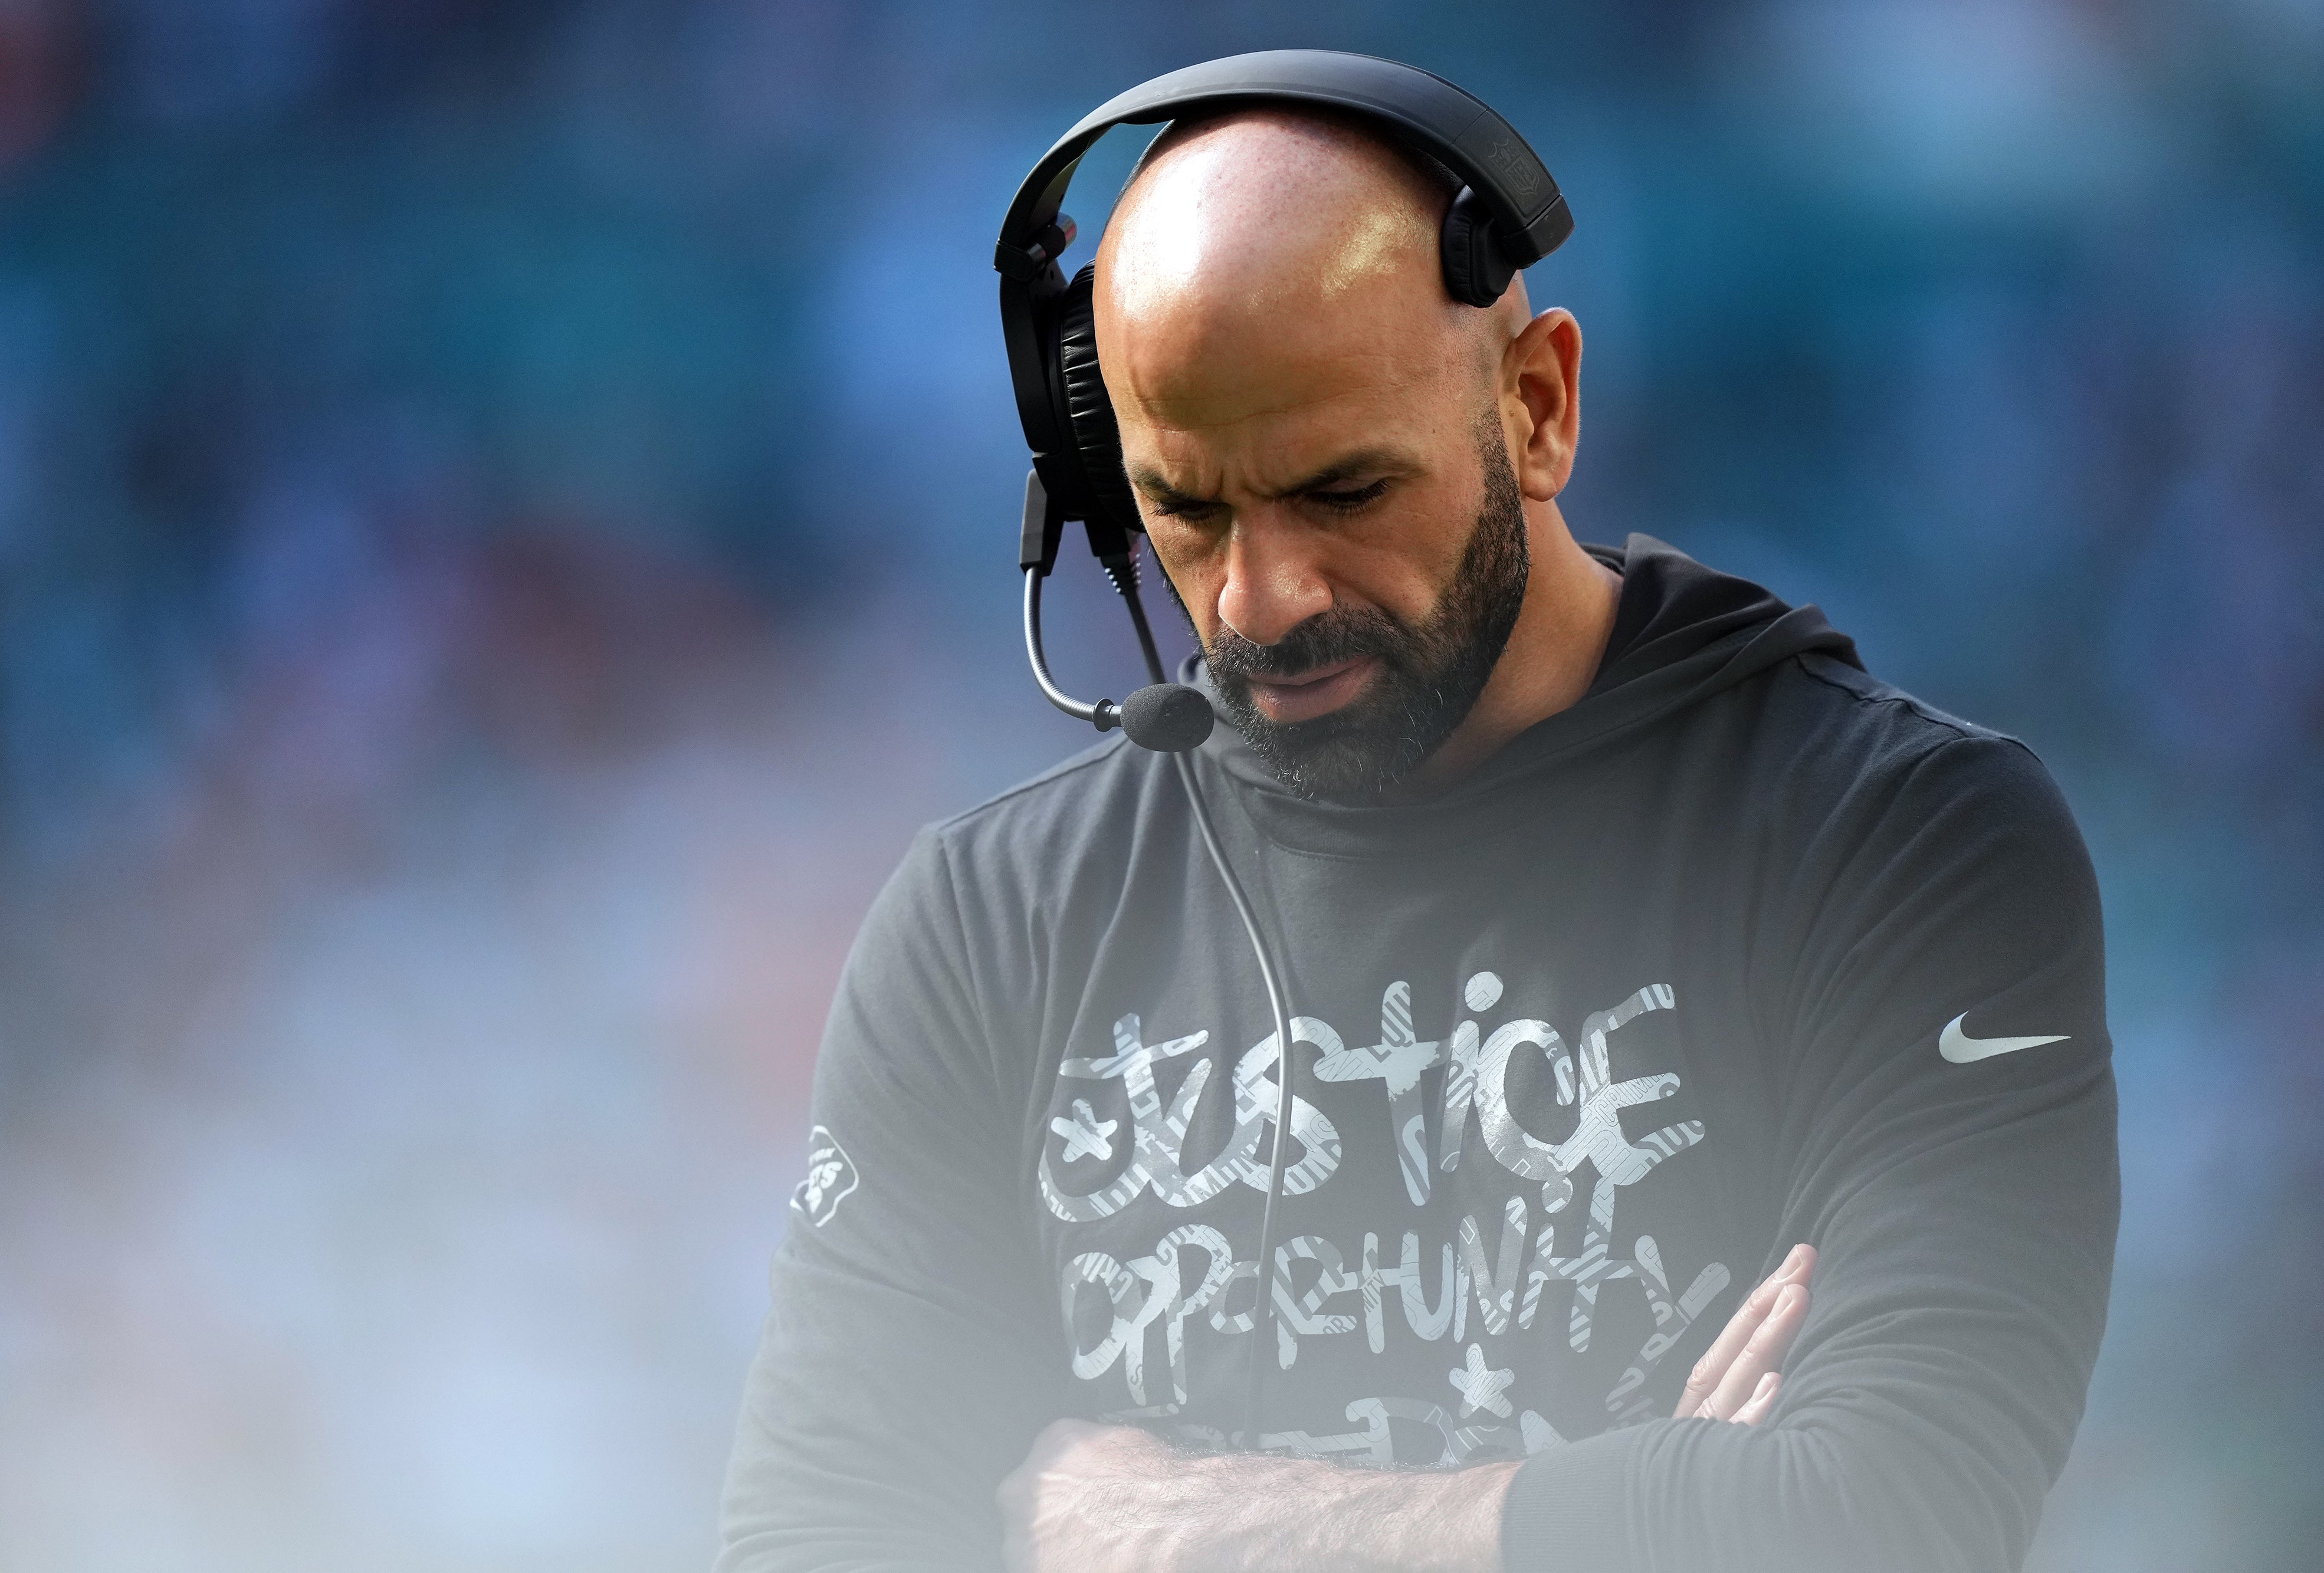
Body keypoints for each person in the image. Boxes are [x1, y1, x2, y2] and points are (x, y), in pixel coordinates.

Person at [717, 103, 2118, 1573]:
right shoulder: (988, 924)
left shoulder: (1903, 845)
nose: (1259, 599)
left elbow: (1888, 1521)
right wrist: (1646, 1505)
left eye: (1342, 490)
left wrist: (1200, 1533)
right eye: (1183, 510)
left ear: (1535, 407)